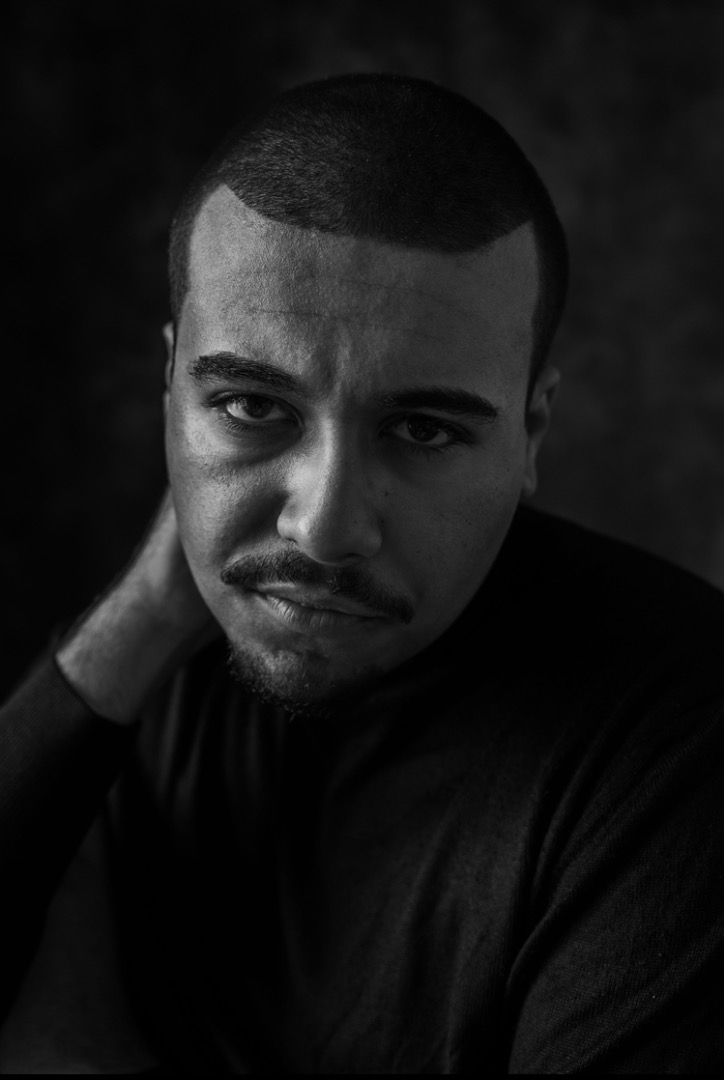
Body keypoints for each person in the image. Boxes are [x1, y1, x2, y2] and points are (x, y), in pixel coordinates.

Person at [0, 72, 723, 1074]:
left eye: (422, 429)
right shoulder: (149, 675)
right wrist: (139, 620)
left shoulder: (684, 739)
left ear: (531, 432)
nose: (324, 527)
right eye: (253, 407)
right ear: (170, 387)